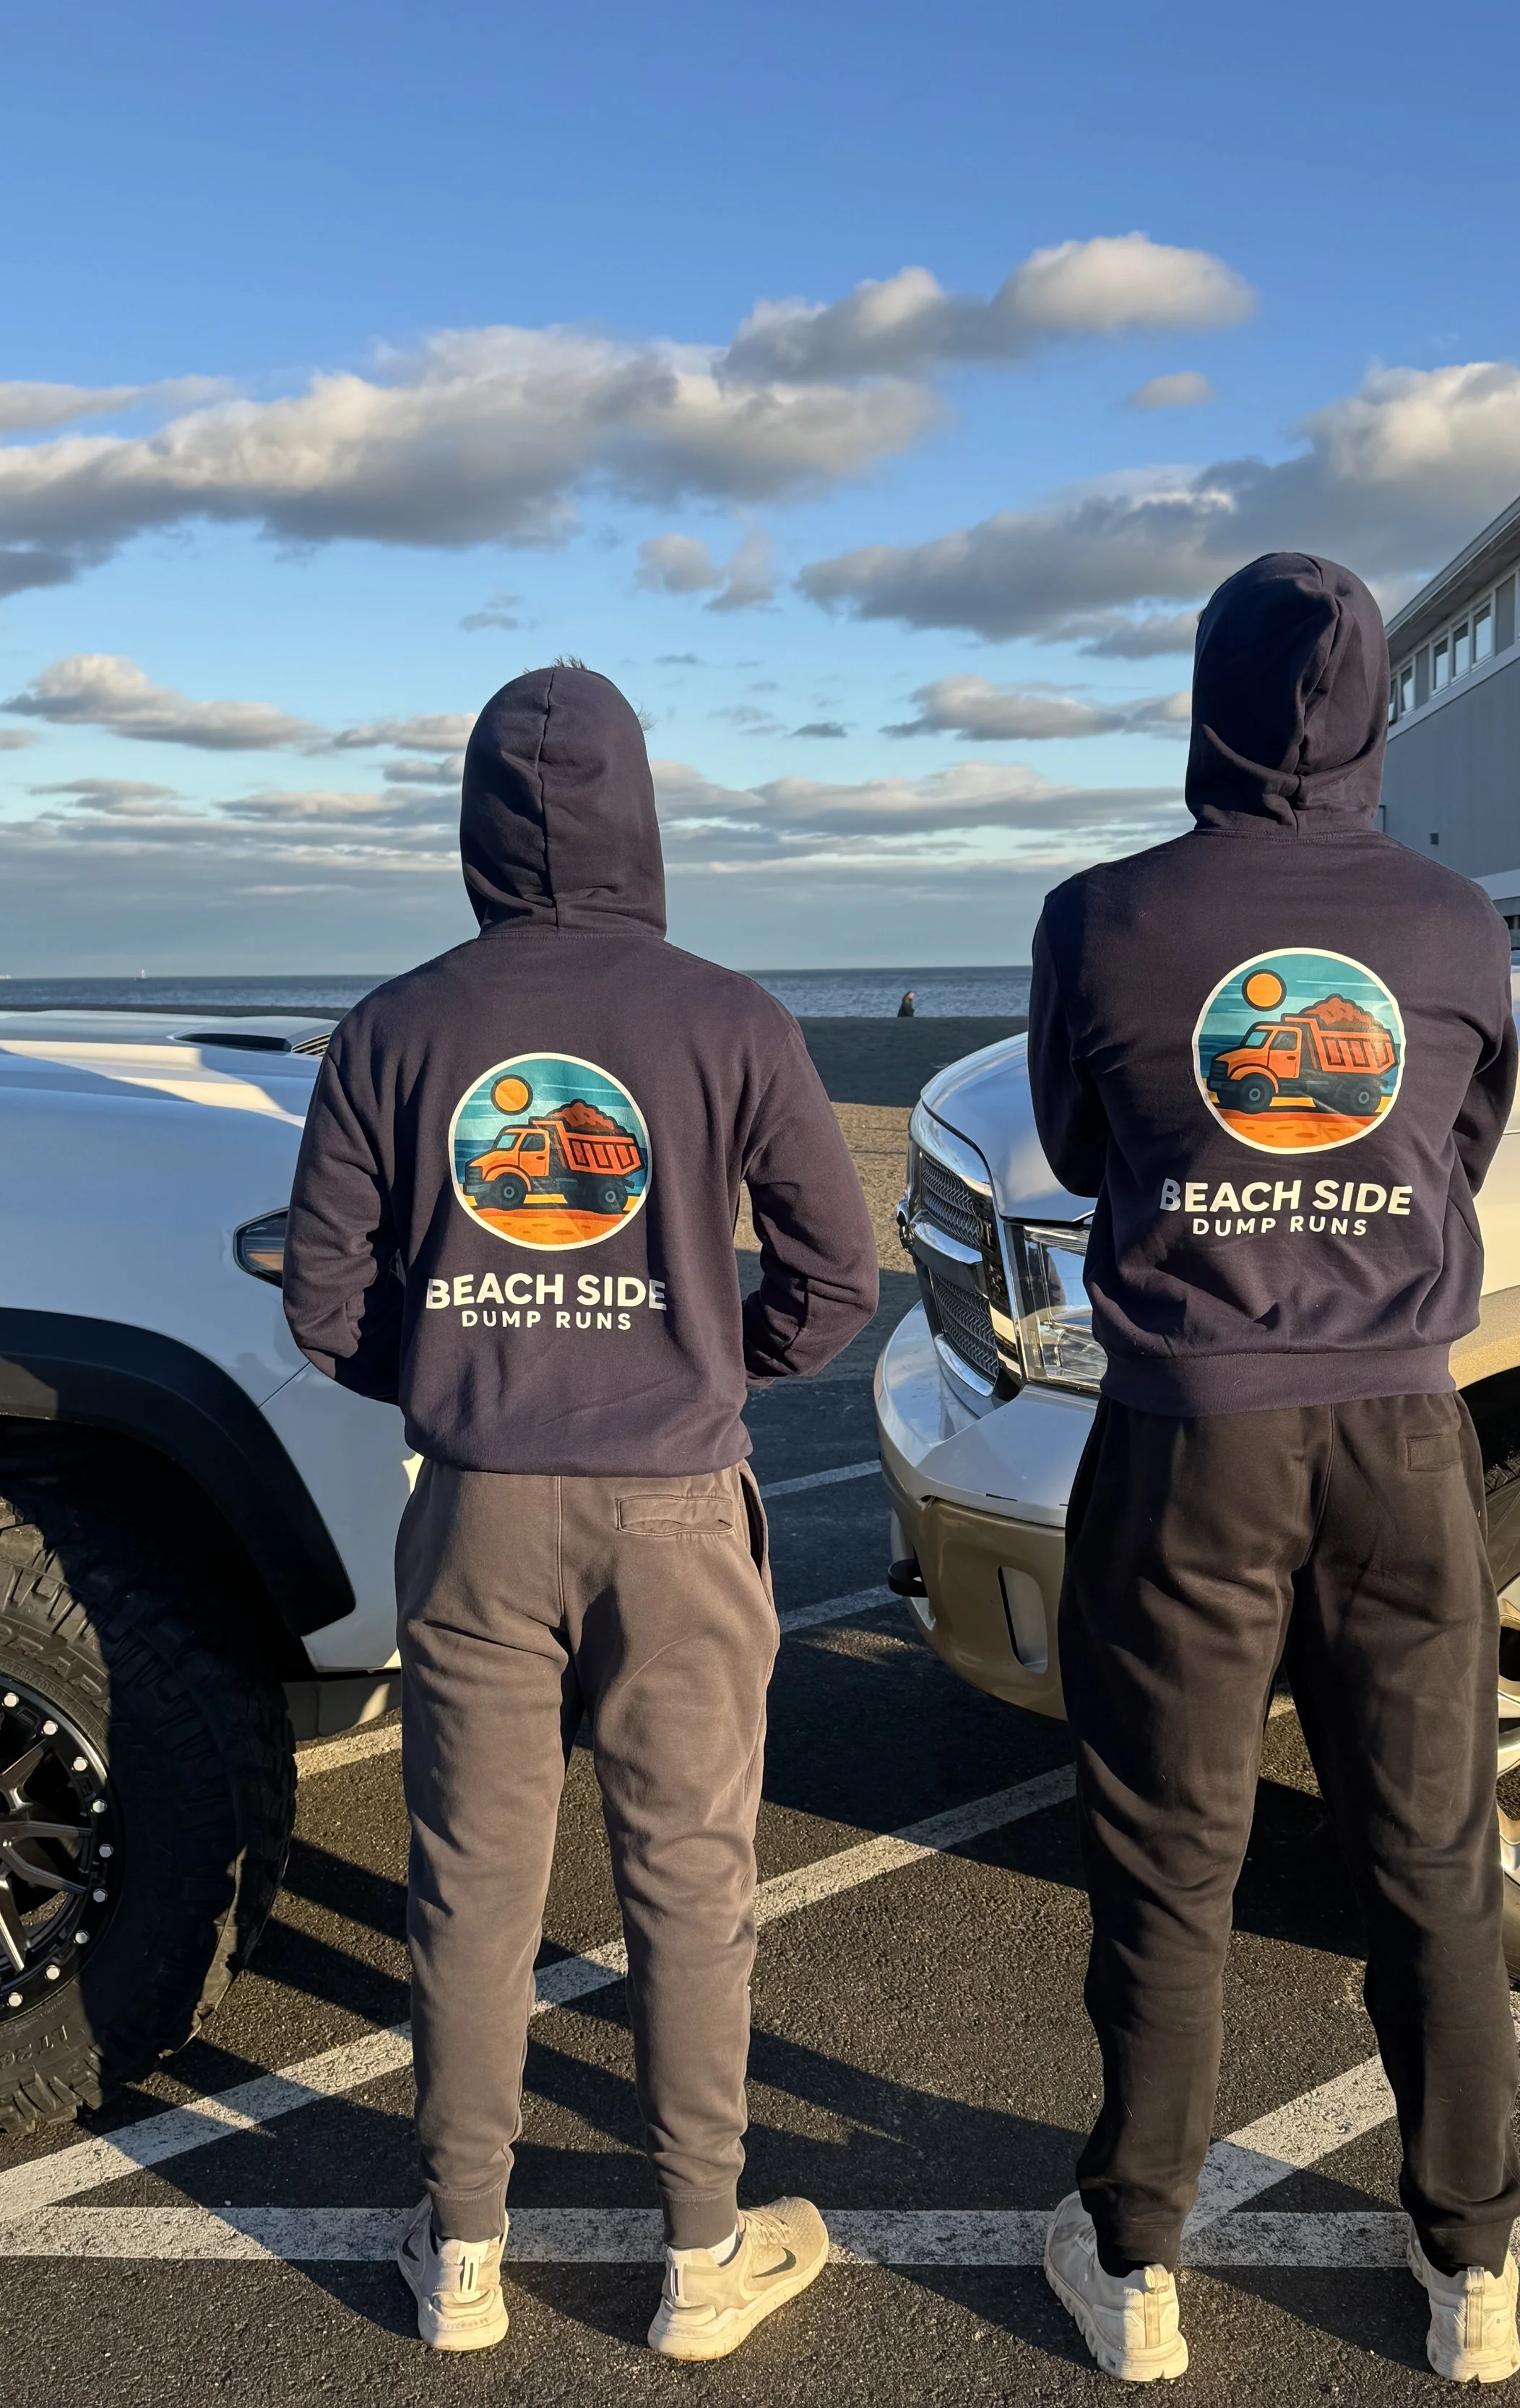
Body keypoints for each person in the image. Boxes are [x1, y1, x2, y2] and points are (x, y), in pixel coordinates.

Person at [283, 663, 878, 2361]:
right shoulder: (730, 1016)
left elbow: (323, 1299)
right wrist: (711, 1357)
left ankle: (460, 2249)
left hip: (474, 1501)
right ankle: (701, 2251)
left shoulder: (394, 1028)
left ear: (472, 821)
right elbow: (837, 1275)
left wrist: (461, 1377)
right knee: (689, 1878)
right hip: (676, 1500)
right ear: (639, 809)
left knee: (471, 1879)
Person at [1027, 555, 1520, 2386]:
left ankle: (1135, 2259)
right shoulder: (1457, 924)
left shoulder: (1098, 918)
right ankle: (1470, 2267)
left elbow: (1086, 1145)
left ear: (1202, 703)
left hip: (1190, 1434)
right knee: (1431, 1852)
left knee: (1169, 1861)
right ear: (1378, 705)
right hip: (1398, 1424)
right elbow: (1458, 1143)